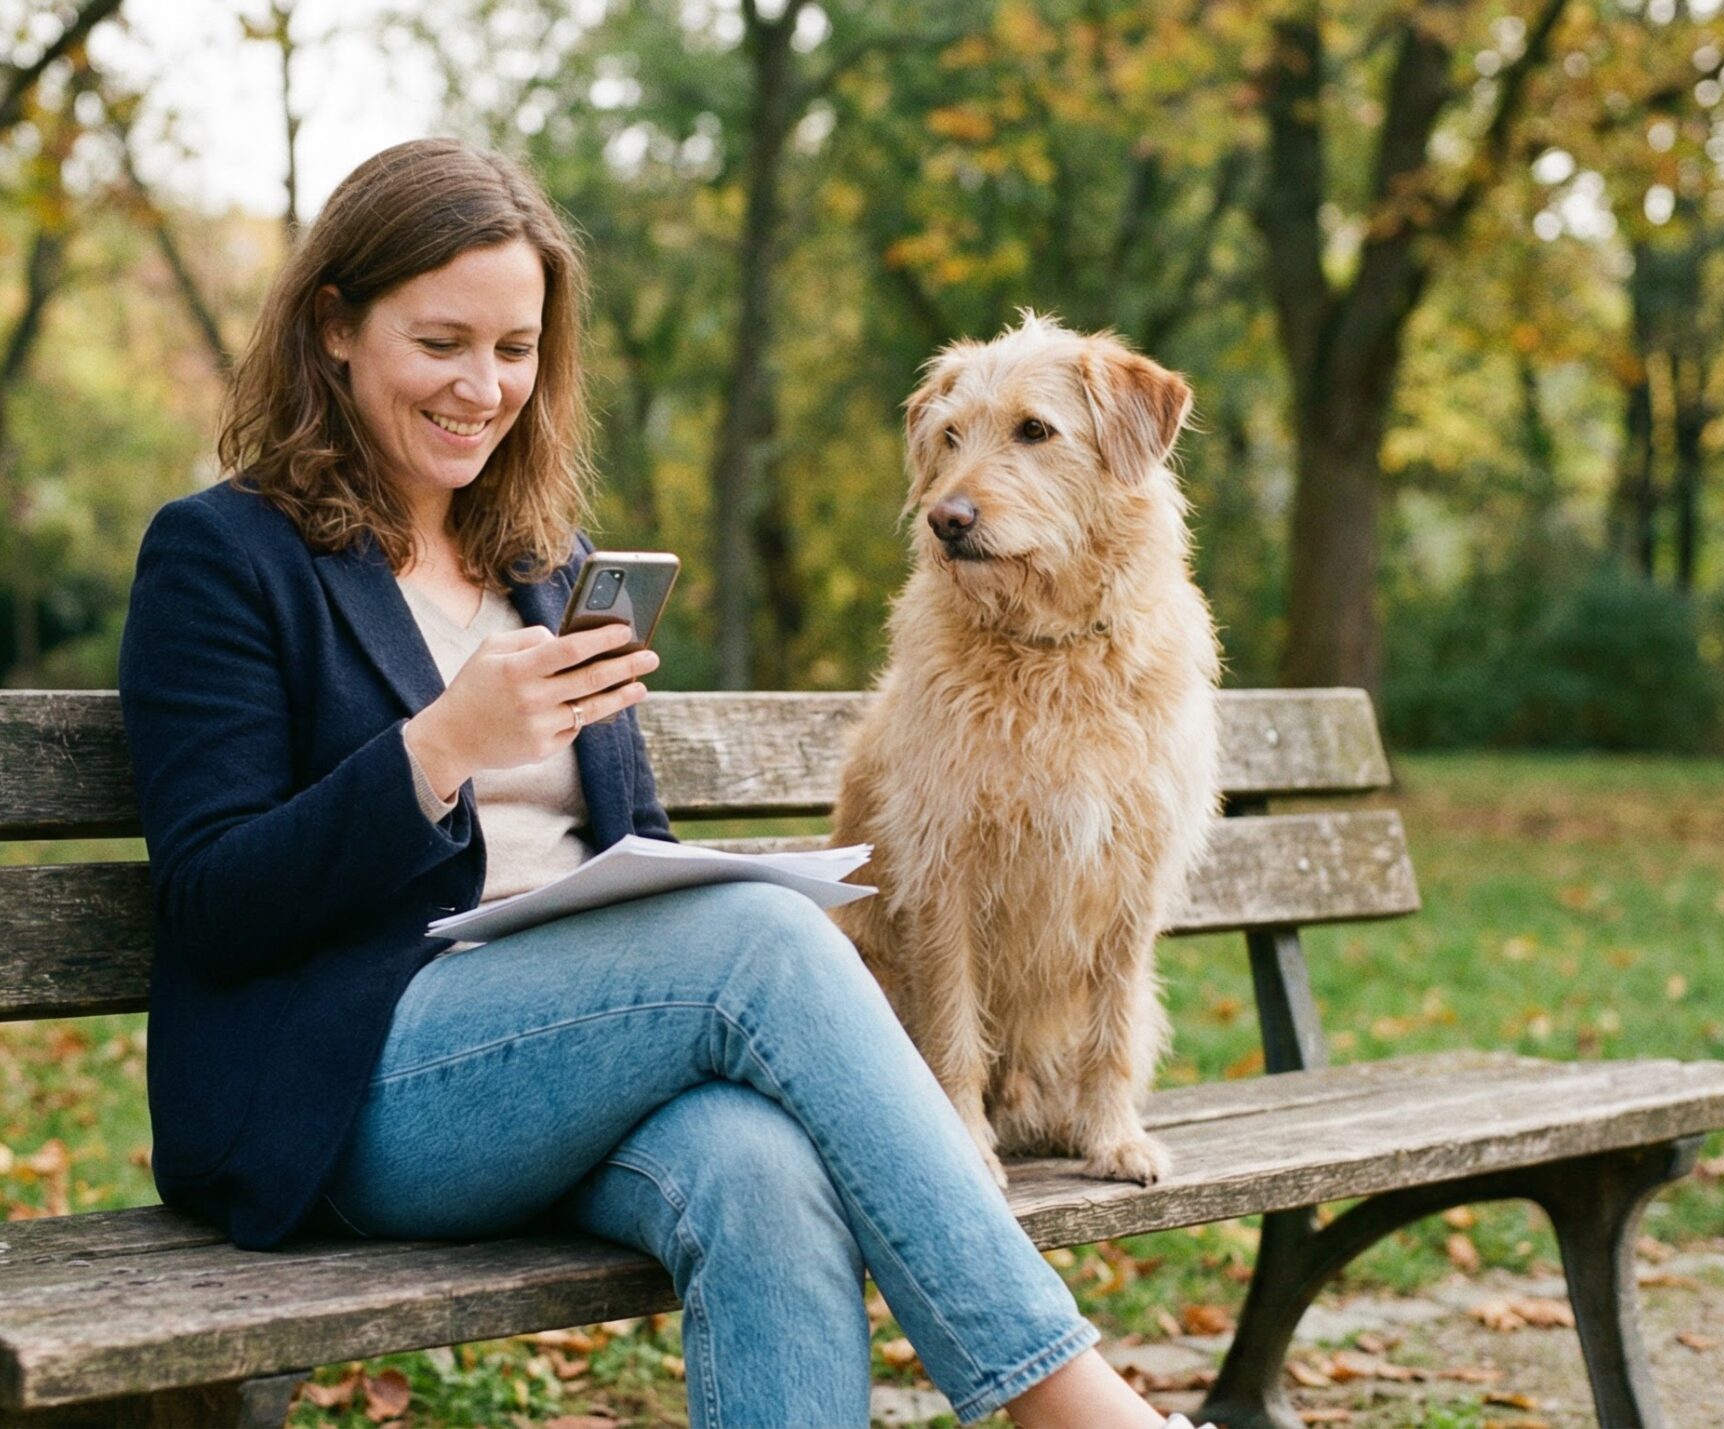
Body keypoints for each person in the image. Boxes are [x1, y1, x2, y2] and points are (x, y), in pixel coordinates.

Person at [118, 137, 1202, 1429]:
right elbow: (207, 899)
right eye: (443, 342)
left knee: (763, 1169)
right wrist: (435, 749)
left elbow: (627, 845)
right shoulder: (222, 555)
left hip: (578, 1061)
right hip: (354, 1087)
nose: (483, 386)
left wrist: (679, 876)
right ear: (337, 326)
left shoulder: (541, 559)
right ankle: (1076, 1405)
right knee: (759, 940)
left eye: (516, 349)